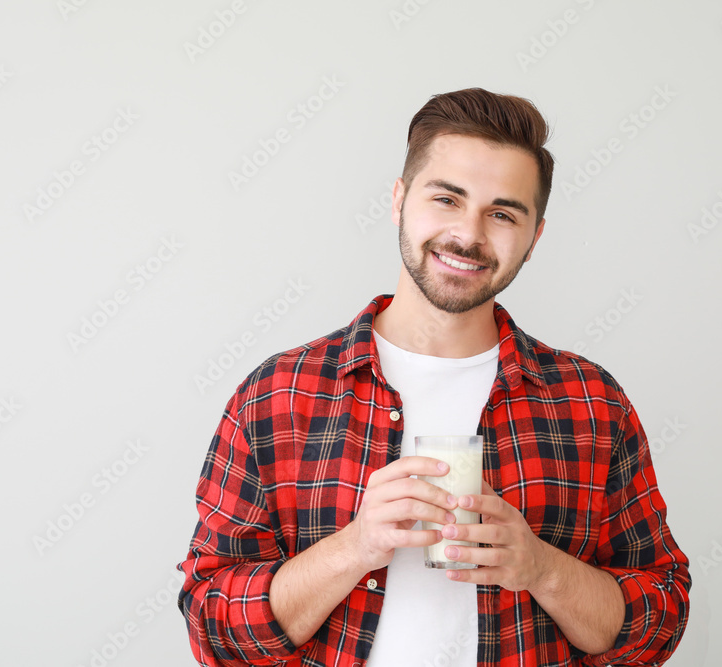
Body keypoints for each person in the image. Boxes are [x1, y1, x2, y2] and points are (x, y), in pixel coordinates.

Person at [178, 87, 691, 666]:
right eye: (447, 199)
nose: (468, 235)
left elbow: (661, 620)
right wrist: (355, 547)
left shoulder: (591, 403)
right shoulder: (277, 395)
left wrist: (541, 567)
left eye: (502, 213)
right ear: (399, 200)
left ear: (534, 237)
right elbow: (211, 628)